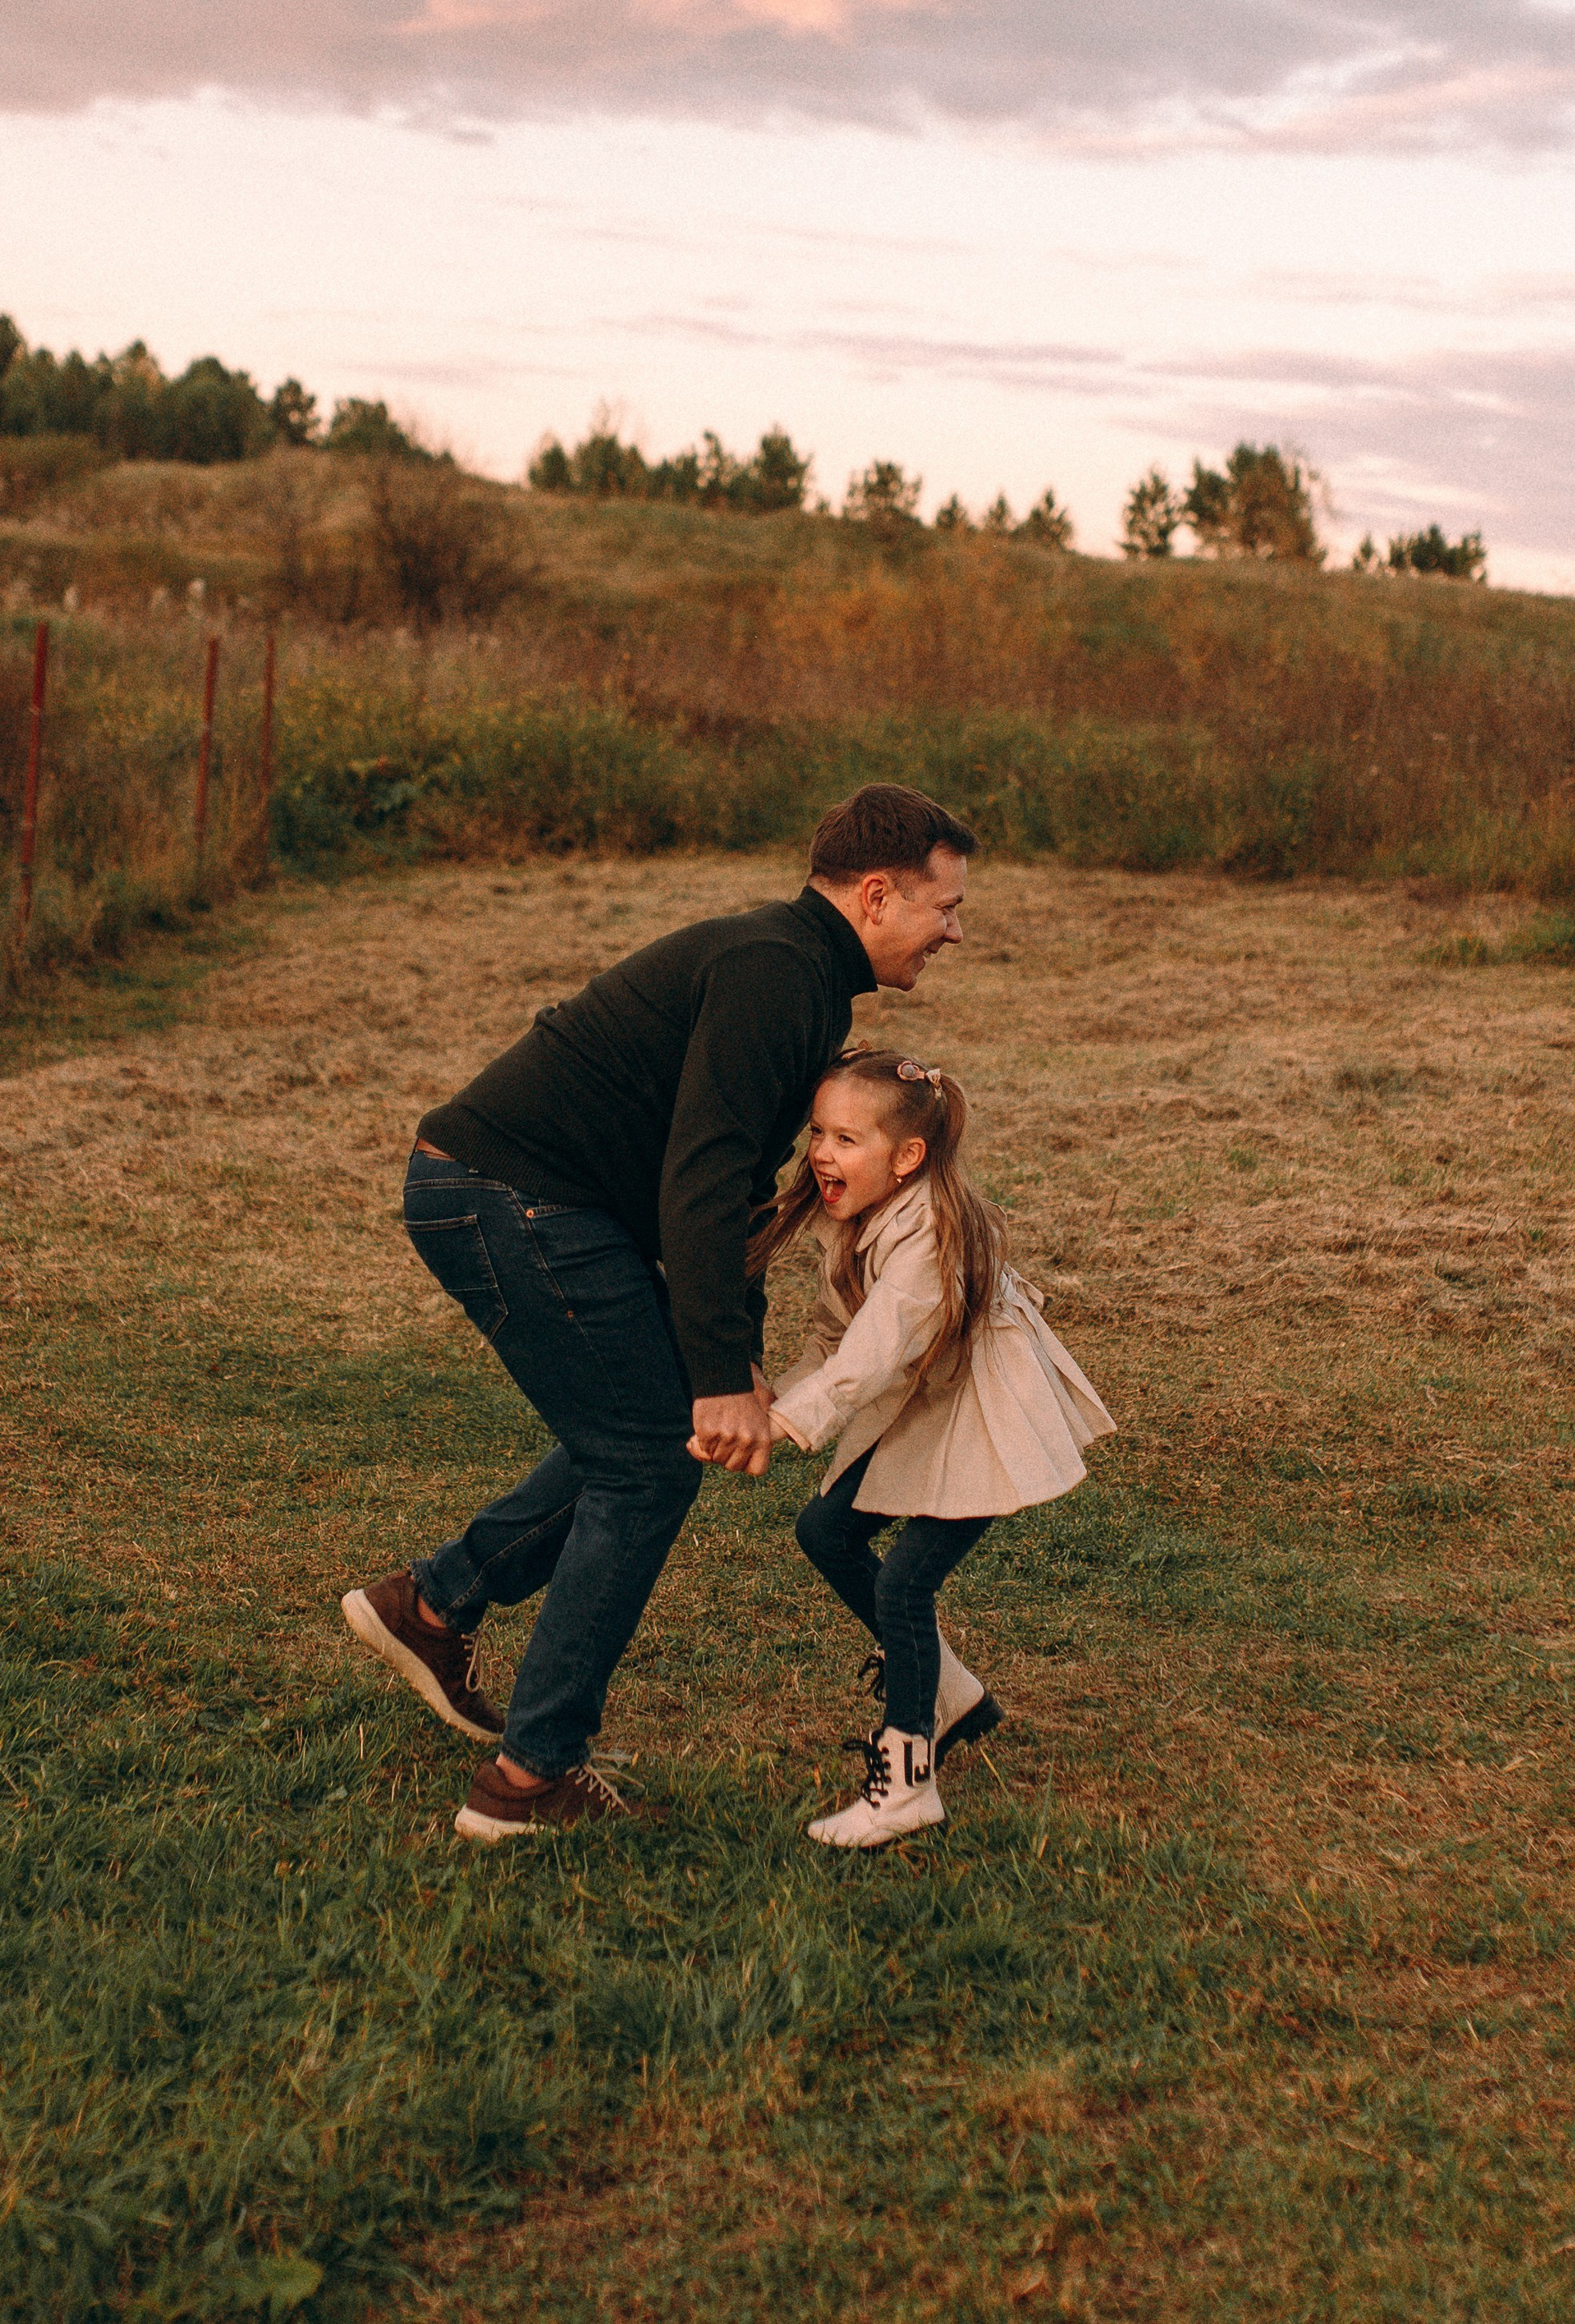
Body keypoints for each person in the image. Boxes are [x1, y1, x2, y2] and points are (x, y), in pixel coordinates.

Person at [339, 785, 1001, 1840]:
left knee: (641, 1438)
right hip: (507, 1196)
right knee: (646, 1460)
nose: (954, 931)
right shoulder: (775, 975)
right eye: (946, 906)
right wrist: (716, 1375)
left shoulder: (796, 976)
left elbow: (732, 1186)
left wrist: (733, 1354)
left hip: (529, 1198)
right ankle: (529, 1776)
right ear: (878, 895)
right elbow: (699, 1174)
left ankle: (432, 1604)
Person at [733, 1047, 1116, 1850]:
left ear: (907, 1157)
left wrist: (785, 1424)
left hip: (986, 1416)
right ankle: (951, 1693)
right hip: (931, 1397)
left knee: (905, 1585)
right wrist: (772, 1398)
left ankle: (906, 1781)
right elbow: (835, 1336)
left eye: (846, 1139)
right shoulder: (859, 1215)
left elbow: (872, 1355)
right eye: (817, 1132)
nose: (821, 1153)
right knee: (826, 1531)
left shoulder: (931, 1232)